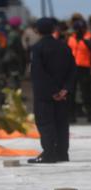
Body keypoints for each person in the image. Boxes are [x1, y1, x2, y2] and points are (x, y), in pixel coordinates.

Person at [28, 18, 76, 163]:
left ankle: (49, 154)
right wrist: (65, 89)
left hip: (45, 95)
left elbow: (39, 72)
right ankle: (62, 153)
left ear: (37, 30)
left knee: (45, 123)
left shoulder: (37, 48)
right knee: (61, 123)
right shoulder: (64, 47)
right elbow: (72, 70)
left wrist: (52, 91)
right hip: (62, 95)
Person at [67, 19, 91, 123]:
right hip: (72, 67)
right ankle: (71, 116)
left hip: (85, 68)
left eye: (81, 29)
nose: (79, 31)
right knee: (71, 93)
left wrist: (83, 40)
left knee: (86, 93)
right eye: (77, 29)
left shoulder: (89, 37)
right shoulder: (71, 38)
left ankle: (90, 115)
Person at [4, 16, 26, 90]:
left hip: (9, 57)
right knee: (15, 76)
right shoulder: (16, 35)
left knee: (12, 76)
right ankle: (15, 94)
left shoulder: (9, 34)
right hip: (14, 58)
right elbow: (19, 48)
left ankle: (14, 92)